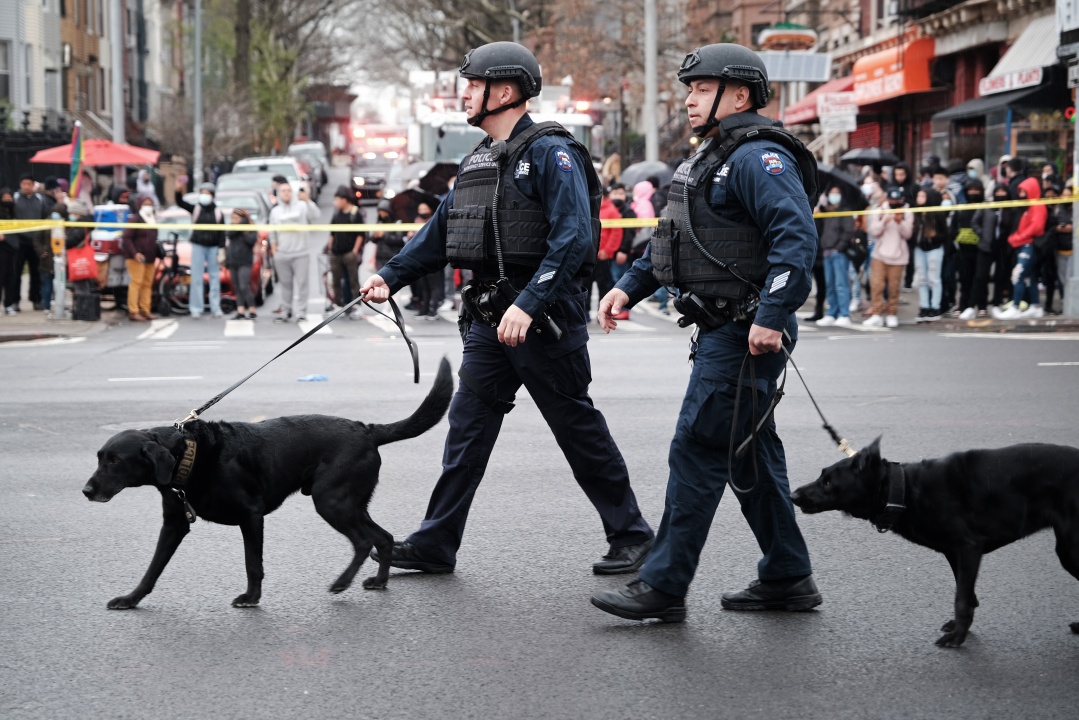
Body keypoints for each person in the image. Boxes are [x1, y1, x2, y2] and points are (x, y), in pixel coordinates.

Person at [359, 41, 653, 575]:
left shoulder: (551, 152)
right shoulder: (477, 158)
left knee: (576, 428)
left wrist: (530, 300)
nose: (463, 93)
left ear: (506, 91)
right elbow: (442, 231)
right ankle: (435, 543)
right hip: (491, 317)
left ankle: (633, 536)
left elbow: (574, 238)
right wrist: (389, 276)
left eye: (472, 84)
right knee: (465, 433)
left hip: (542, 317)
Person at [591, 42, 821, 622]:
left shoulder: (757, 157)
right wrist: (628, 285)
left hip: (742, 331)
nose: (689, 100)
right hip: (726, 328)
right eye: (688, 89)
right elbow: (679, 239)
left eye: (700, 89)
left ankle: (663, 586)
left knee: (696, 449)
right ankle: (789, 576)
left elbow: (795, 239)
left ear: (738, 94)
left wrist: (771, 316)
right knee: (750, 458)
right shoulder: (712, 156)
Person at [993, 176, 1047, 318]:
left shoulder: (1037, 206)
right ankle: (1035, 306)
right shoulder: (1028, 207)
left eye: (1024, 192)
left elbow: (1036, 227)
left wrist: (1017, 238)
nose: (1021, 195)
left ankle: (1016, 306)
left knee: (1018, 275)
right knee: (1029, 277)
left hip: (1027, 245)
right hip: (1023, 245)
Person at [269, 183, 320, 323]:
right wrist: (275, 251)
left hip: (300, 253)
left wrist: (308, 200)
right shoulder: (275, 211)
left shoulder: (302, 206)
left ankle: (301, 312)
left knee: (302, 284)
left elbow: (316, 216)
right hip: (282, 253)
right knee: (285, 284)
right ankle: (286, 310)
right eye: (283, 191)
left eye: (288, 191)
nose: (286, 193)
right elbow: (272, 232)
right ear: (278, 193)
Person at [863, 188, 913, 328]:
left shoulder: (906, 212)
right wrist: (884, 220)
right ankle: (876, 314)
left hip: (898, 256)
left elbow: (908, 234)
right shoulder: (881, 210)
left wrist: (899, 222)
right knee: (876, 285)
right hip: (879, 254)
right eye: (891, 201)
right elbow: (873, 230)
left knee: (894, 287)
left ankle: (892, 313)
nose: (894, 203)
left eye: (896, 201)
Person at [176, 181, 225, 318]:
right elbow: (180, 202)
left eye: (207, 193)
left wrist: (222, 250)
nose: (204, 196)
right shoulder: (195, 209)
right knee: (196, 277)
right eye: (202, 193)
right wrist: (178, 190)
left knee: (214, 278)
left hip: (213, 247)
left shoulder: (217, 212)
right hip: (198, 245)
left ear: (212, 196)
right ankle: (196, 307)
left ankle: (216, 307)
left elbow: (222, 233)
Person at [815, 185, 855, 326]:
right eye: (831, 193)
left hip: (838, 253)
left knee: (840, 284)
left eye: (837, 193)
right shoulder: (827, 210)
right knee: (830, 285)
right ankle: (832, 312)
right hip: (827, 252)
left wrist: (839, 248)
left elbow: (848, 231)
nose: (834, 195)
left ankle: (844, 313)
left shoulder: (845, 211)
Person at [911, 187, 950, 322]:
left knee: (934, 278)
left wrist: (933, 237)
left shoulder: (936, 213)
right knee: (922, 278)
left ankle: (935, 306)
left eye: (922, 196)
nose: (919, 199)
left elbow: (945, 234)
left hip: (934, 248)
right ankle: (924, 306)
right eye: (918, 196)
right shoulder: (916, 212)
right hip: (919, 248)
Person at [326, 185, 365, 317]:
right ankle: (339, 304)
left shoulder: (355, 213)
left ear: (344, 199)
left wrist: (355, 251)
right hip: (336, 253)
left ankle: (356, 305)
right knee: (336, 280)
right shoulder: (336, 214)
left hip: (349, 253)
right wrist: (330, 248)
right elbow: (332, 233)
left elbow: (361, 234)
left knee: (353, 280)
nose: (335, 202)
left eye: (337, 199)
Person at [13, 173, 50, 310]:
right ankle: (14, 301)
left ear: (33, 185)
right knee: (16, 273)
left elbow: (46, 217)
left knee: (36, 273)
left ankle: (36, 300)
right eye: (24, 184)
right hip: (19, 241)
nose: (26, 187)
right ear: (20, 185)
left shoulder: (40, 200)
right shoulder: (15, 199)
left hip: (35, 242)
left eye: (29, 184)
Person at [121, 194, 160, 322]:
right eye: (145, 204)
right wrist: (135, 253)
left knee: (147, 284)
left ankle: (145, 309)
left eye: (150, 204)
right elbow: (126, 238)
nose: (148, 207)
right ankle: (133, 311)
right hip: (136, 257)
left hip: (150, 257)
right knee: (136, 282)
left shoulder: (152, 219)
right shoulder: (135, 219)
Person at [953, 179, 985, 319]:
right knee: (965, 278)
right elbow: (954, 226)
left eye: (976, 189)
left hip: (981, 248)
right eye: (970, 189)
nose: (973, 192)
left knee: (980, 278)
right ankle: (963, 305)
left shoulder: (985, 207)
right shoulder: (961, 207)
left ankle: (981, 305)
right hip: (963, 248)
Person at [226, 208, 258, 319]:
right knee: (237, 286)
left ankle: (252, 308)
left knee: (244, 286)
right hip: (233, 260)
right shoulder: (232, 229)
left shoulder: (250, 228)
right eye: (232, 218)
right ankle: (240, 310)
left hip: (245, 261)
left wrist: (243, 228)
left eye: (236, 218)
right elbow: (228, 234)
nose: (234, 221)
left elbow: (251, 241)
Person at [369, 198, 405, 271]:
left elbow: (399, 240)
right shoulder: (379, 223)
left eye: (383, 212)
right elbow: (372, 239)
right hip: (380, 257)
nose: (381, 214)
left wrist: (384, 235)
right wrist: (375, 236)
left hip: (392, 256)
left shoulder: (397, 223)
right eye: (380, 212)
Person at [0, 188, 18, 315]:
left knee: (11, 277)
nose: (7, 199)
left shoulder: (15, 211)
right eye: (5, 197)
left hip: (13, 247)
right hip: (1, 248)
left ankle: (9, 304)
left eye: (9, 197)